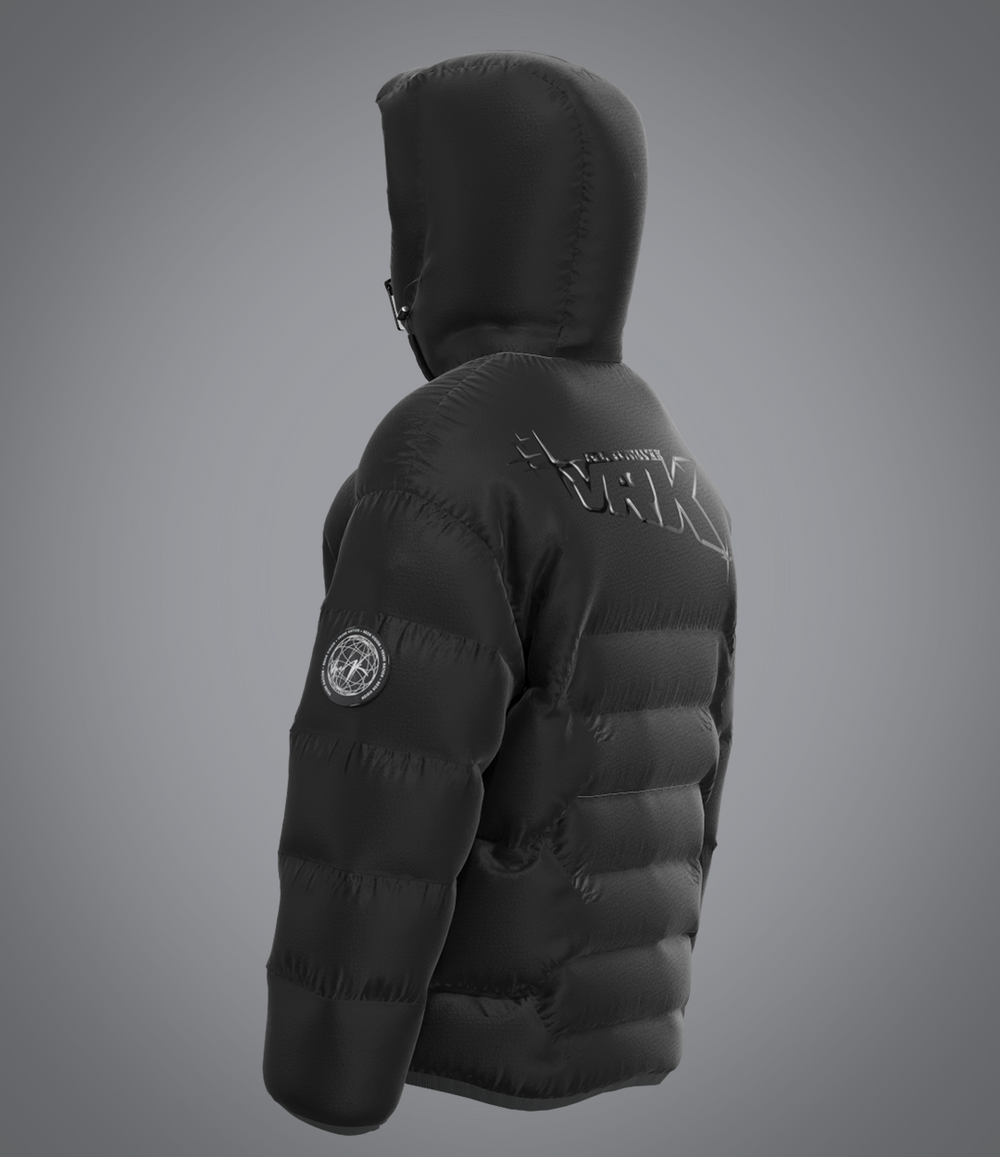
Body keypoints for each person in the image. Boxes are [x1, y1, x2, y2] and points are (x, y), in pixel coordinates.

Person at [263, 49, 737, 1136]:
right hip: (626, 1045)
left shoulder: (450, 449)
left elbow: (376, 791)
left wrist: (324, 1080)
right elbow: (702, 774)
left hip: (453, 1069)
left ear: (452, 222)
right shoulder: (673, 461)